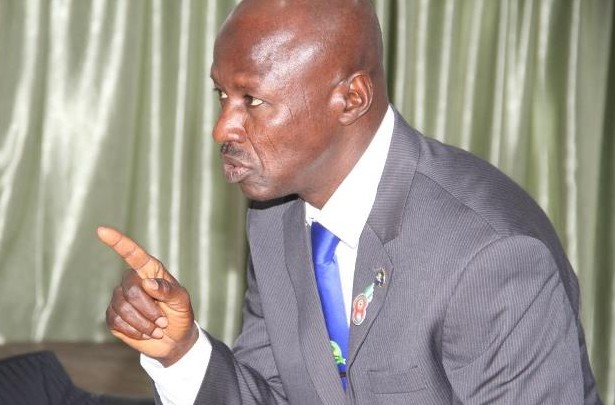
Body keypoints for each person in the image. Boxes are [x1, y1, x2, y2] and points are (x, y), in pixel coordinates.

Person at [98, 0, 602, 403]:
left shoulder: (490, 256)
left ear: (352, 98)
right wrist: (181, 353)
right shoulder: (275, 217)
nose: (222, 128)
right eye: (221, 96)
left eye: (252, 100)